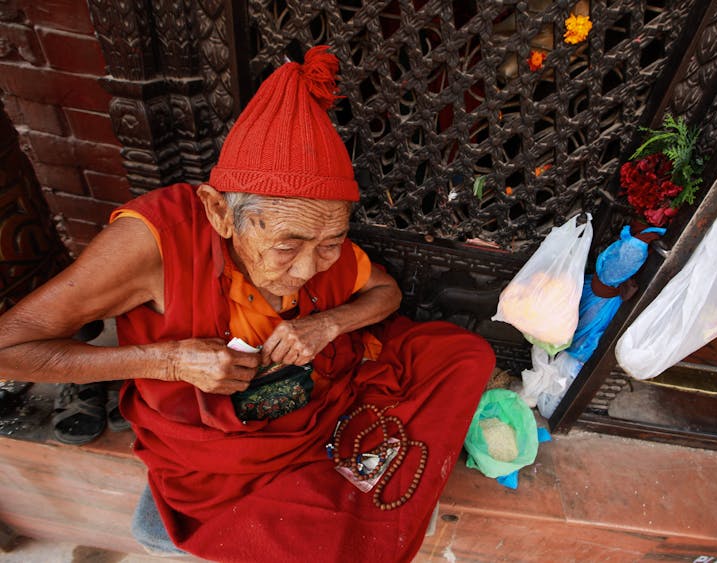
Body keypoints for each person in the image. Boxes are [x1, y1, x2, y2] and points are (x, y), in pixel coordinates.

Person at [0, 46, 495, 562]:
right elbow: (8, 349)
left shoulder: (318, 234)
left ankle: (330, 484)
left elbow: (385, 291)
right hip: (219, 439)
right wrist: (169, 360)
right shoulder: (155, 243)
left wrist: (327, 324)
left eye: (329, 243)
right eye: (288, 246)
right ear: (219, 213)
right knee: (329, 542)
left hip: (320, 394)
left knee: (466, 356)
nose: (309, 270)